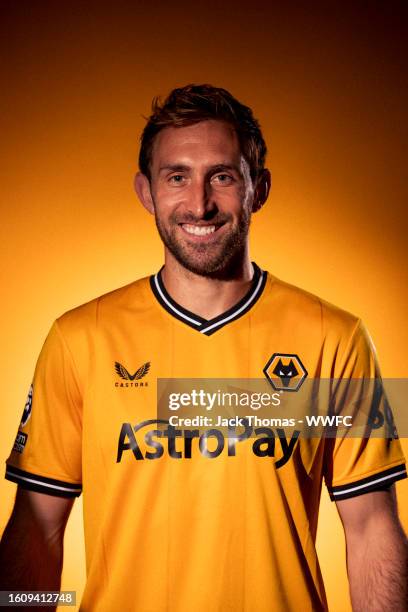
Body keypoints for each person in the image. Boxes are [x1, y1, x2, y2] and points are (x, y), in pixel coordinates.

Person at [1, 84, 407, 612]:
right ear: (146, 192)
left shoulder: (337, 337)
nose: (199, 203)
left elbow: (373, 526)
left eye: (222, 176)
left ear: (257, 188)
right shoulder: (79, 338)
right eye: (177, 177)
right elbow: (37, 526)